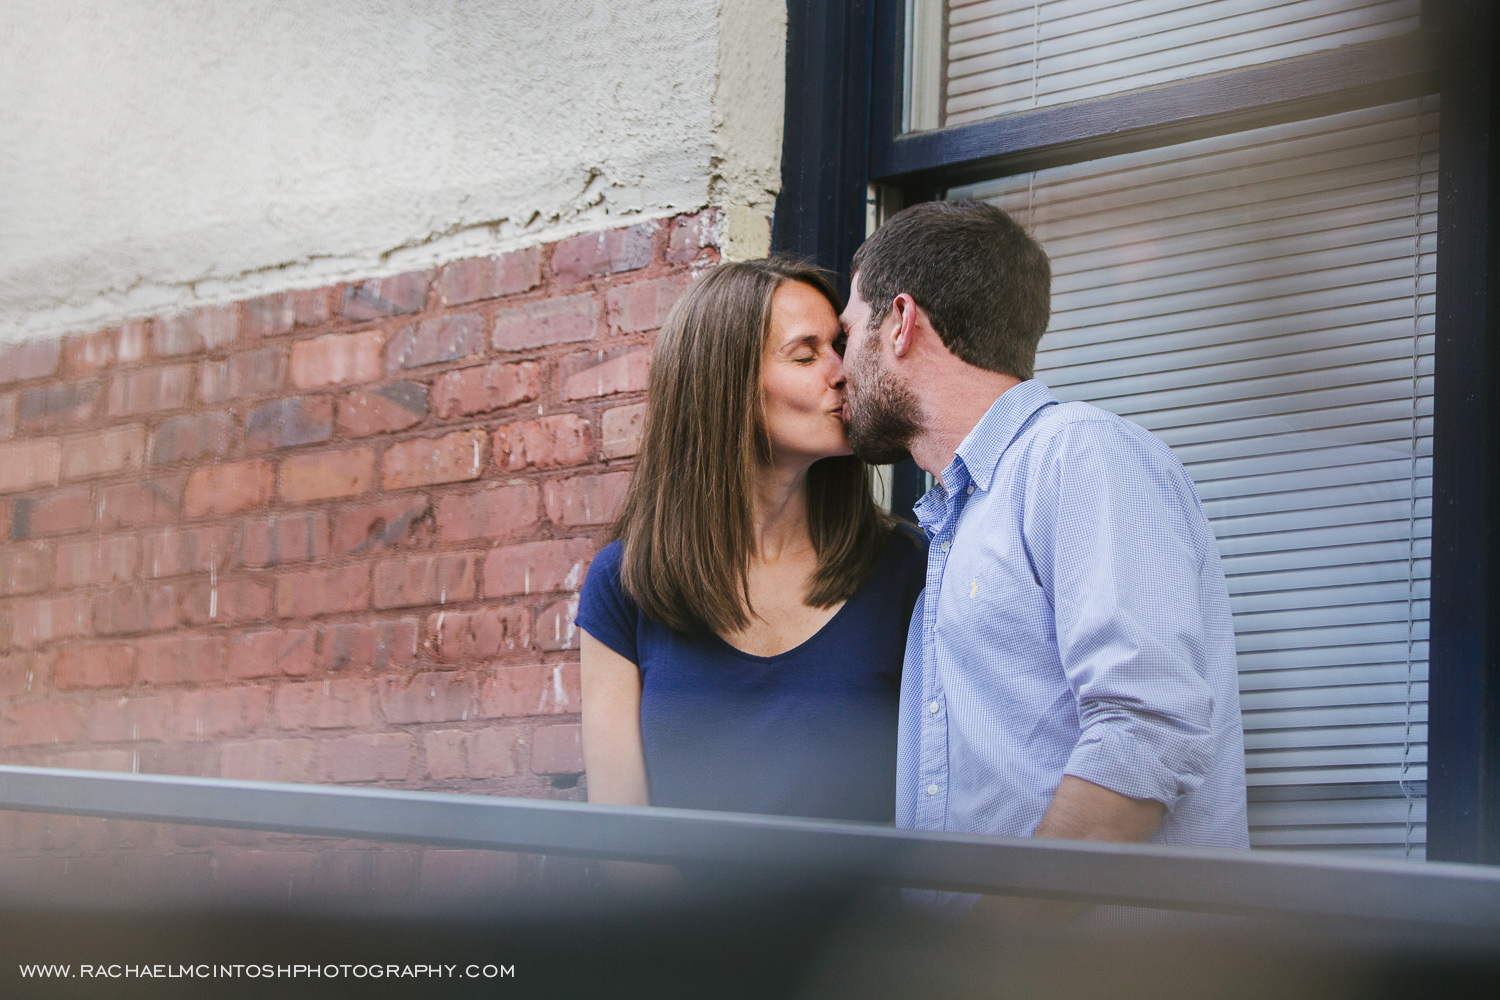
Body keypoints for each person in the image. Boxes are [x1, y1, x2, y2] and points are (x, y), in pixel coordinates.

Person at [839, 199, 1248, 851]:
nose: (838, 370)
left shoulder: (1077, 456)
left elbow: (1145, 730)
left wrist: (1003, 931)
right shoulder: (962, 516)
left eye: (846, 335)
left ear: (900, 324)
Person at [577, 258, 926, 823]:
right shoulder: (626, 582)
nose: (843, 372)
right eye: (807, 354)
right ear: (726, 385)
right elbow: (623, 846)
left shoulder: (904, 569)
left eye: (839, 345)